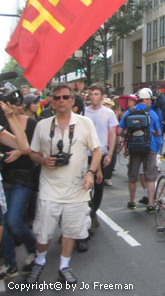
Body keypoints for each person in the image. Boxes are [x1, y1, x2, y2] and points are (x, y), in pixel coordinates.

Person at [26, 83, 101, 285]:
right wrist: (42, 160)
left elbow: (96, 150)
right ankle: (40, 262)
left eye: (65, 97)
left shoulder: (85, 123)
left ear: (72, 100)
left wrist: (91, 173)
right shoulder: (42, 125)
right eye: (57, 97)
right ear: (51, 100)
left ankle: (64, 266)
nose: (61, 101)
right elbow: (32, 153)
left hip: (77, 189)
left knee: (70, 230)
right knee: (43, 231)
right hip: (49, 188)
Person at [75, 84, 118, 251]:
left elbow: (113, 134)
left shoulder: (108, 113)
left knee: (99, 186)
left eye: (96, 94)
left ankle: (93, 212)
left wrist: (110, 153)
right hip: (84, 154)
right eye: (91, 94)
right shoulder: (83, 112)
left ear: (102, 96)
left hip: (101, 153)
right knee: (84, 186)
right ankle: (86, 215)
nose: (93, 97)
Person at [0, 98, 39, 280]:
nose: (12, 105)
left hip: (23, 178)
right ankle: (10, 264)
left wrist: (20, 152)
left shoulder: (29, 123)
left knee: (13, 221)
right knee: (4, 224)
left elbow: (27, 147)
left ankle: (33, 250)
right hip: (5, 178)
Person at [118, 88, 162, 213]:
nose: (151, 103)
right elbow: (158, 132)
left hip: (134, 148)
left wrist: (129, 134)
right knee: (150, 177)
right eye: (150, 100)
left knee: (133, 176)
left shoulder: (129, 113)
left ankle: (132, 201)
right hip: (150, 148)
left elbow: (119, 131)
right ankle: (150, 204)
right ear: (146, 100)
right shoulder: (151, 113)